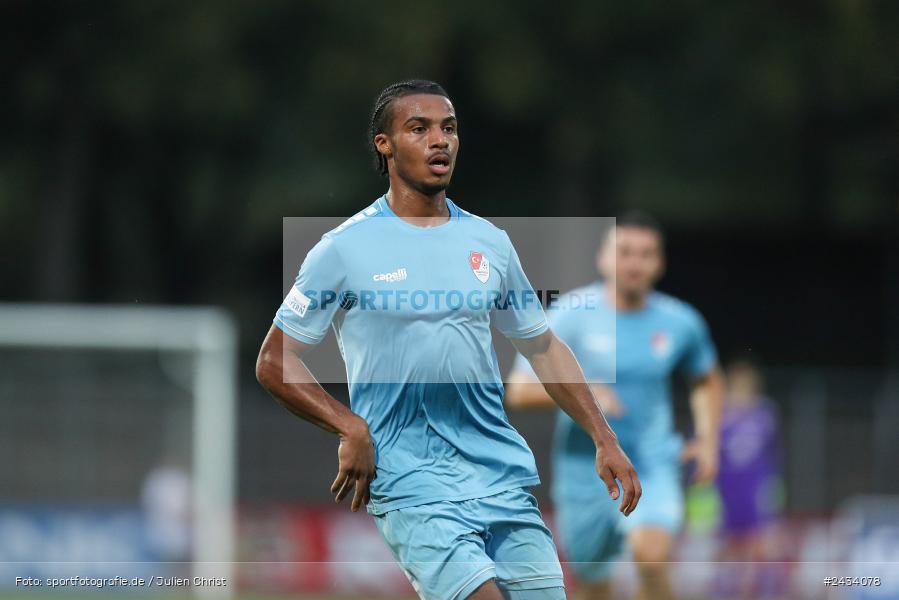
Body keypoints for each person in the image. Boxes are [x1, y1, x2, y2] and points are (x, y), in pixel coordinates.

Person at [255, 80, 640, 600]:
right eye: (419, 128)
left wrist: (604, 436)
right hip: (411, 478)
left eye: (449, 128)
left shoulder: (489, 243)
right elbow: (275, 359)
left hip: (498, 473)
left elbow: (543, 347)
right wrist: (350, 426)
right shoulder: (343, 249)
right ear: (384, 144)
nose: (440, 140)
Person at [506, 213, 723, 600]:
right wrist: (586, 390)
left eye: (646, 254)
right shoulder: (571, 315)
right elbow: (519, 391)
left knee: (652, 556)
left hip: (651, 462)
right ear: (603, 258)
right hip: (584, 471)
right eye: (624, 252)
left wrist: (707, 440)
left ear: (660, 262)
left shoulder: (680, 322)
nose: (634, 263)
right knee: (591, 584)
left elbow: (705, 378)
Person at [714, 358, 784, 599]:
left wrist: (772, 486)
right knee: (728, 547)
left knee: (763, 546)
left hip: (755, 489)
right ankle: (723, 591)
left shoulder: (764, 413)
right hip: (727, 489)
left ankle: (762, 592)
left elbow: (772, 454)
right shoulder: (718, 414)